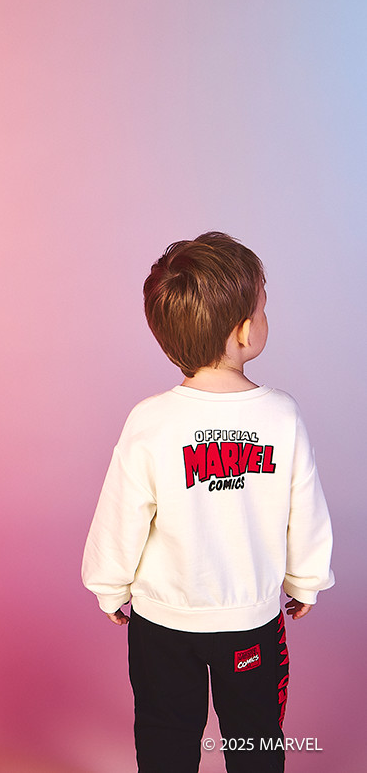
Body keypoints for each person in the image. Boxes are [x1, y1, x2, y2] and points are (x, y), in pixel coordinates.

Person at [81, 231, 333, 773]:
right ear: (243, 330)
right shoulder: (281, 416)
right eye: (263, 308)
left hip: (162, 622)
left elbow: (122, 512)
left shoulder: (150, 420)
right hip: (249, 620)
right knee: (255, 735)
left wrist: (108, 586)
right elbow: (305, 507)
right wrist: (306, 580)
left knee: (164, 736)